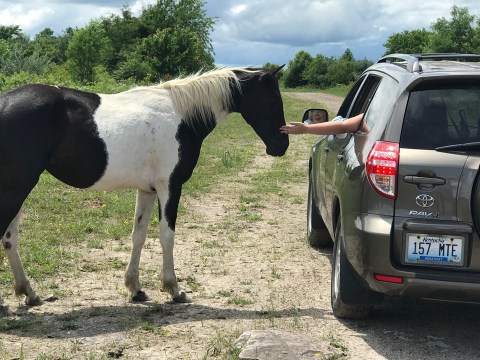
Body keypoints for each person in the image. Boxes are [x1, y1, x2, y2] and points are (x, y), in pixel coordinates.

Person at [280, 113, 365, 135]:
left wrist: (306, 129)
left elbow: (343, 126)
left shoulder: (370, 116)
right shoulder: (374, 114)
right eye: (314, 113)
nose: (316, 114)